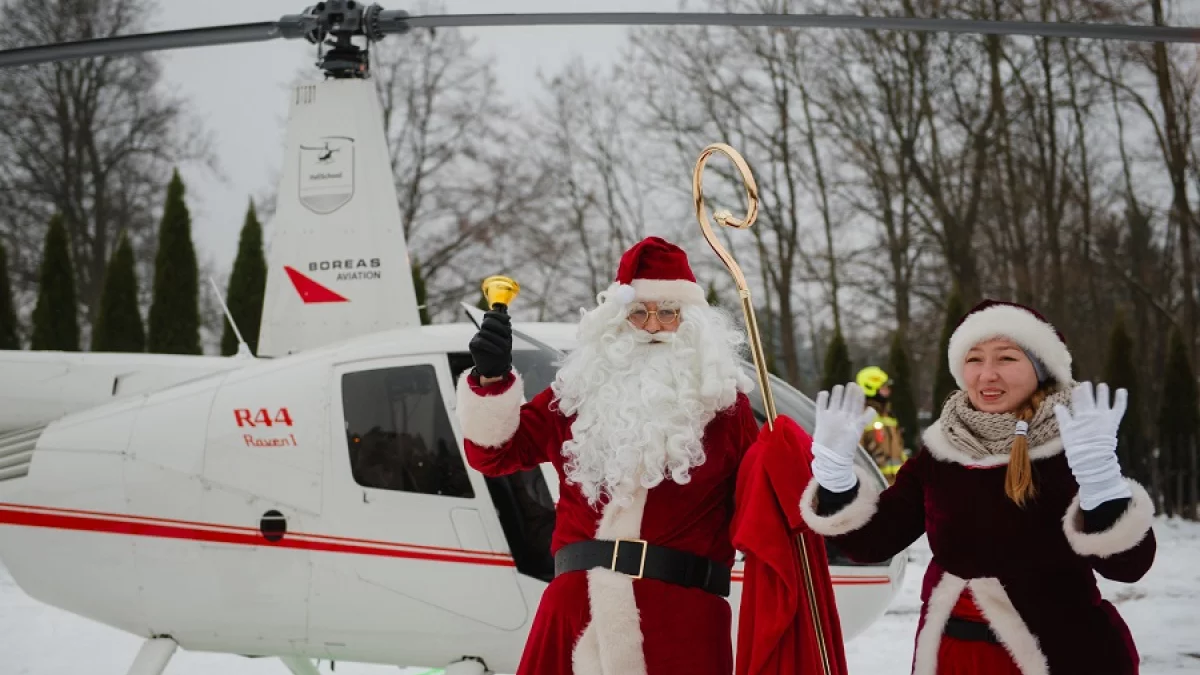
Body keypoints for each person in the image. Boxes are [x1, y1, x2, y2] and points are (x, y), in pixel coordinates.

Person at [455, 236, 763, 675]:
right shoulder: (576, 395)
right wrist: (491, 379)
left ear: (691, 321)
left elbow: (762, 505)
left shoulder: (727, 410)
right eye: (638, 312)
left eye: (667, 313)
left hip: (682, 629)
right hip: (576, 622)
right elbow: (493, 453)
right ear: (617, 321)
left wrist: (814, 478)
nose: (652, 325)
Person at [800, 299, 1156, 675]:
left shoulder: (1077, 441)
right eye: (974, 359)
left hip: (1058, 656)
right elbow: (874, 540)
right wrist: (836, 475)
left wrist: (1101, 481)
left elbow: (1129, 566)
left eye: (1006, 359)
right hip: (952, 658)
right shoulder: (941, 452)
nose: (987, 374)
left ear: (1041, 368)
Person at [856, 365, 907, 483]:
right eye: (884, 388)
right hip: (875, 485)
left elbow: (899, 450)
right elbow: (857, 456)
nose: (888, 391)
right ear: (871, 388)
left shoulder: (889, 417)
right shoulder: (861, 418)